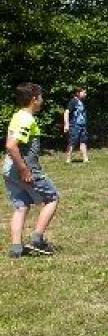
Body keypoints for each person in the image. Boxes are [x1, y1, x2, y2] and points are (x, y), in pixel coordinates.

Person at [4, 83, 58, 258]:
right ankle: (37, 239)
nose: (42, 100)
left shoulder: (17, 115)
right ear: (34, 99)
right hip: (23, 167)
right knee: (52, 198)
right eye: (41, 97)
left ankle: (16, 248)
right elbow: (11, 145)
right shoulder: (27, 119)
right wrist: (24, 170)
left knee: (21, 206)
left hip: (8, 167)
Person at [63, 86, 90, 163]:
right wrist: (66, 124)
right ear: (78, 93)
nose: (85, 94)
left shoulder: (81, 101)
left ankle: (85, 159)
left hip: (82, 125)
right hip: (74, 125)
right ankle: (68, 160)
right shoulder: (73, 101)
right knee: (72, 142)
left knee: (83, 141)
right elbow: (66, 112)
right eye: (84, 92)